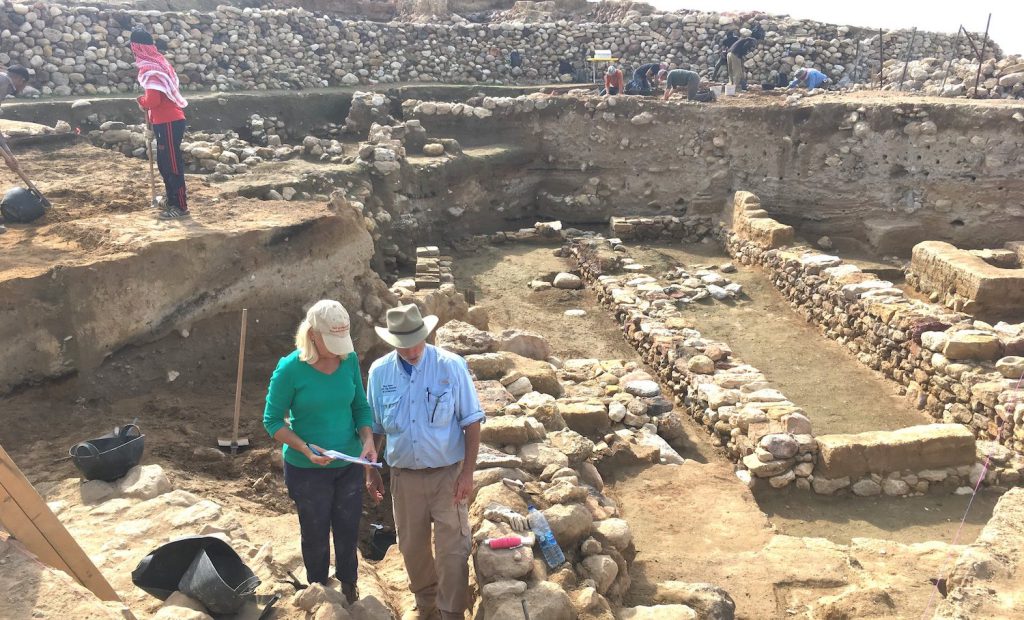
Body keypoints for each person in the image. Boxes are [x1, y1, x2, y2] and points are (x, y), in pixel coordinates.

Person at [365, 304, 483, 620]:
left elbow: (472, 423)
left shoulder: (451, 366)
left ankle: (451, 613)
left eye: (417, 341)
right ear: (392, 342)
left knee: (452, 550)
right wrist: (372, 470)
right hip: (403, 478)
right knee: (412, 548)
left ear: (427, 334)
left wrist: (467, 473)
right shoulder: (379, 373)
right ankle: (427, 608)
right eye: (404, 344)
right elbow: (374, 428)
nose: (412, 349)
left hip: (448, 475)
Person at [263, 300, 378, 603]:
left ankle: (350, 584)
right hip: (307, 469)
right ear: (312, 334)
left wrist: (367, 440)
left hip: (347, 463)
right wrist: (305, 448)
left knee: (348, 525)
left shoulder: (349, 359)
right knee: (314, 532)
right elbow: (272, 421)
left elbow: (360, 407)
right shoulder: (290, 369)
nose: (339, 349)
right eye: (332, 341)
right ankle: (319, 590)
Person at [129, 29, 190, 220]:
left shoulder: (150, 68)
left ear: (136, 47)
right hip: (166, 121)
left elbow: (153, 100)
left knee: (171, 164)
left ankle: (180, 206)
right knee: (164, 163)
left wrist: (142, 101)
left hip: (169, 121)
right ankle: (171, 199)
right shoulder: (159, 63)